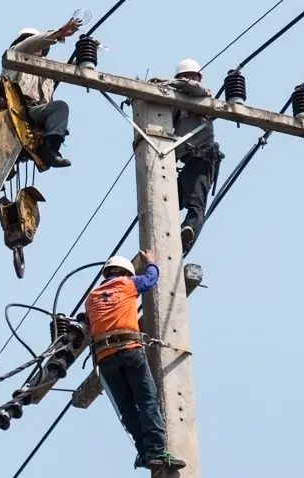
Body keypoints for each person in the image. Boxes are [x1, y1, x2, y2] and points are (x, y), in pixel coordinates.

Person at [84, 251, 186, 471]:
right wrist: (151, 261)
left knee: (128, 409)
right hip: (129, 350)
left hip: (105, 358)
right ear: (124, 272)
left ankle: (144, 453)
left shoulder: (91, 297)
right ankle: (156, 451)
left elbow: (88, 322)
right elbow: (150, 278)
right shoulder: (127, 283)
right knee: (147, 400)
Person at [0, 19, 82, 168]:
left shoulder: (48, 69)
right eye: (27, 40)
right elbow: (31, 43)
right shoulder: (16, 54)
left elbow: (70, 68)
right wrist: (59, 33)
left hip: (33, 114)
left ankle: (49, 150)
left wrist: (87, 52)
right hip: (11, 110)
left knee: (60, 108)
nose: (31, 43)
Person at [149, 59, 225, 253]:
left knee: (196, 204)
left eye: (190, 76)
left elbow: (194, 88)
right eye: (184, 76)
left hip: (202, 160)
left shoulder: (203, 96)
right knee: (165, 198)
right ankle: (167, 236)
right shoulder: (176, 105)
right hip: (187, 163)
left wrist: (167, 82)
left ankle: (187, 234)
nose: (188, 79)